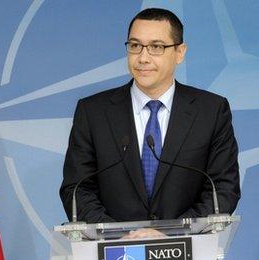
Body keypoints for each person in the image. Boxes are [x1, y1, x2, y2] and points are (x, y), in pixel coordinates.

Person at [60, 8, 240, 237]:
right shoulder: (93, 112)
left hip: (185, 249)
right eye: (135, 46)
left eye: (156, 47)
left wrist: (171, 234)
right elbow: (77, 189)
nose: (143, 57)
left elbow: (223, 188)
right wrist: (122, 238)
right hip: (115, 252)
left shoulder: (211, 110)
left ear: (180, 52)